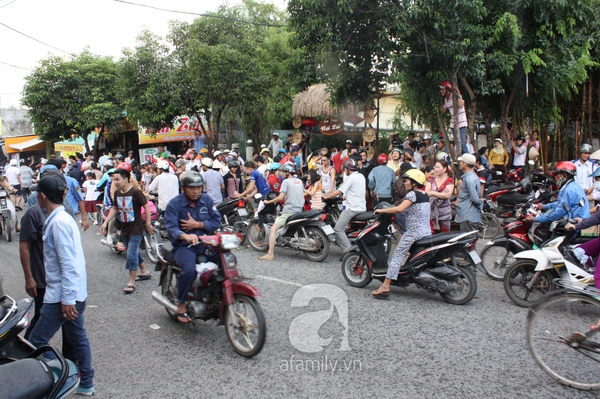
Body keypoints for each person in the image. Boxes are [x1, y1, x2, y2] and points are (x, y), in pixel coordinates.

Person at [27, 173, 95, 396]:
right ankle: (86, 382)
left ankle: (64, 376)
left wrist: (66, 300)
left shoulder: (58, 222)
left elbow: (67, 264)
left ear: (41, 196)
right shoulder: (63, 217)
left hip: (62, 297)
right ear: (64, 193)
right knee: (77, 337)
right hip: (73, 293)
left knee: (35, 342)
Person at [164, 172, 221, 322]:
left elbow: (217, 220)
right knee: (189, 270)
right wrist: (185, 235)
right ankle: (181, 303)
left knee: (229, 260)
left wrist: (198, 225)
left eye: (198, 187)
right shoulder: (174, 204)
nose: (196, 191)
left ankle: (217, 294)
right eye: (192, 188)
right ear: (183, 188)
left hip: (206, 244)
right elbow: (171, 228)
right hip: (184, 247)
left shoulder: (207, 200)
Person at [371, 169, 431, 298]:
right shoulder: (425, 194)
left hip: (414, 232)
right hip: (426, 231)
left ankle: (385, 286)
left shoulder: (412, 195)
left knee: (397, 255)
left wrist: (382, 210)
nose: (405, 183)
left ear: (414, 183)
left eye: (407, 181)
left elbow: (399, 209)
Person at [99, 168, 153, 293]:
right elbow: (114, 208)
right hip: (124, 228)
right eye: (114, 180)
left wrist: (148, 223)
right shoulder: (117, 193)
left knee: (131, 254)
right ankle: (144, 271)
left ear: (126, 179)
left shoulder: (136, 192)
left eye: (117, 179)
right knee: (132, 251)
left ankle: (131, 282)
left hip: (136, 229)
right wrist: (106, 222)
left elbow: (146, 206)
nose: (115, 182)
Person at [258, 164, 304, 261]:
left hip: (289, 211)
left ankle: (270, 254)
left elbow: (279, 197)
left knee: (273, 230)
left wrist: (268, 201)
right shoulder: (299, 181)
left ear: (287, 173)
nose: (281, 174)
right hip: (299, 209)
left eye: (283, 172)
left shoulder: (286, 182)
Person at [525, 161, 590, 224]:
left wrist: (536, 218)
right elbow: (561, 203)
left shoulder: (567, 190)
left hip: (575, 224)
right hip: (581, 221)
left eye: (556, 174)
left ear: (565, 175)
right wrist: (544, 206)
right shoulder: (574, 186)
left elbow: (557, 212)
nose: (555, 177)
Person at [324, 158, 366, 254]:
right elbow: (357, 192)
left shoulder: (351, 178)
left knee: (338, 229)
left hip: (353, 209)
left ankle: (348, 251)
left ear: (347, 169)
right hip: (362, 207)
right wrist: (344, 198)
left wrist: (327, 197)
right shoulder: (361, 176)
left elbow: (339, 191)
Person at [425, 159, 454, 233]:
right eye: (435, 167)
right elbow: (427, 193)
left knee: (445, 234)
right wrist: (441, 194)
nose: (436, 169)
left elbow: (448, 195)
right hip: (431, 211)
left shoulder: (449, 180)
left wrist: (432, 193)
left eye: (438, 167)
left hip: (444, 212)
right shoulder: (431, 179)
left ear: (444, 169)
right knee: (430, 234)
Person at [439, 80, 468, 154]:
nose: (441, 91)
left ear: (448, 89)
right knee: (457, 144)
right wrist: (439, 102)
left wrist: (458, 92)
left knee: (462, 144)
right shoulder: (446, 100)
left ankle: (468, 160)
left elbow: (461, 105)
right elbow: (443, 111)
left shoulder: (455, 96)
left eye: (443, 89)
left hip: (461, 122)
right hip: (453, 124)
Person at [456, 153, 482, 232]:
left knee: (467, 241)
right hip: (469, 214)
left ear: (465, 164)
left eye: (461, 162)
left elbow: (474, 198)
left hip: (468, 215)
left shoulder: (469, 179)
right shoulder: (471, 177)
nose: (459, 163)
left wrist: (480, 202)